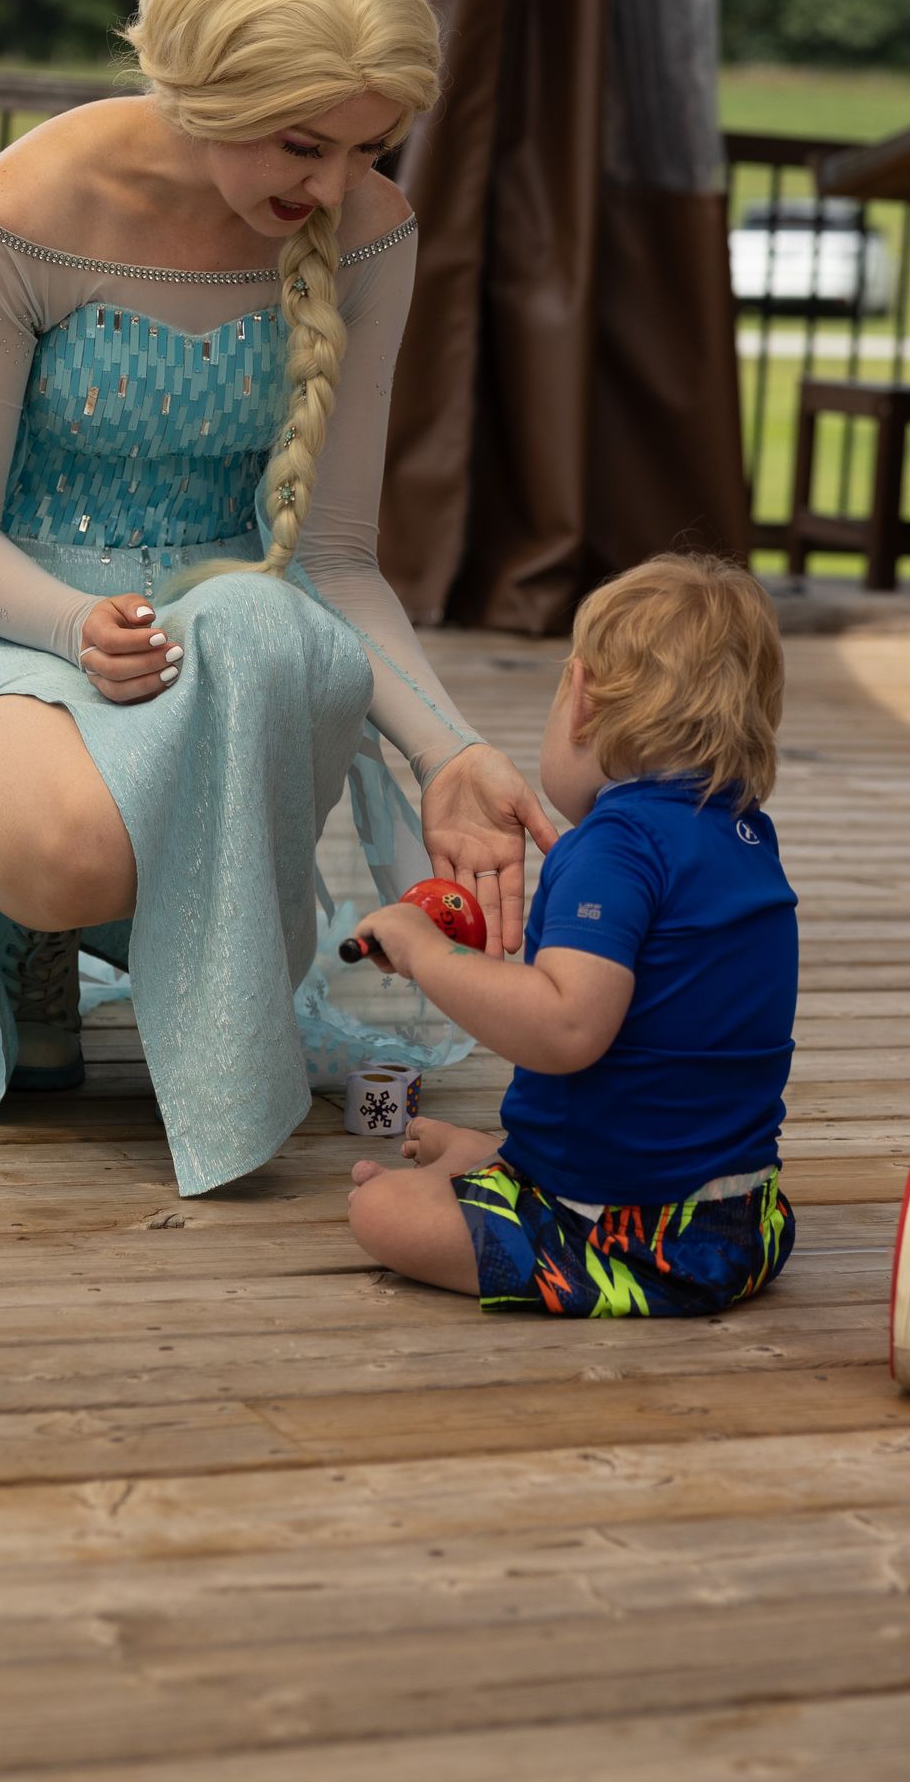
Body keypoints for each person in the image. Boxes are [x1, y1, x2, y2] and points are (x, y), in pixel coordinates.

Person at [0, 0, 554, 1194]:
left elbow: (329, 558)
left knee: (264, 628)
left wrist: (452, 750)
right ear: (204, 82)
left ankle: (199, 1026)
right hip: (12, 612)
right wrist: (67, 627)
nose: (330, 187)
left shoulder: (370, 230)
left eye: (367, 147)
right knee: (66, 854)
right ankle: (29, 940)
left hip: (230, 626)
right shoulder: (28, 204)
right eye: (302, 142)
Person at [346, 554, 797, 1317]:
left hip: (623, 1234)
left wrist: (429, 952)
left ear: (581, 698)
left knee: (379, 1213)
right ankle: (498, 1163)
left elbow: (564, 1026)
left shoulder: (616, 844)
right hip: (745, 1221)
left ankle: (507, 1187)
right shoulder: (746, 835)